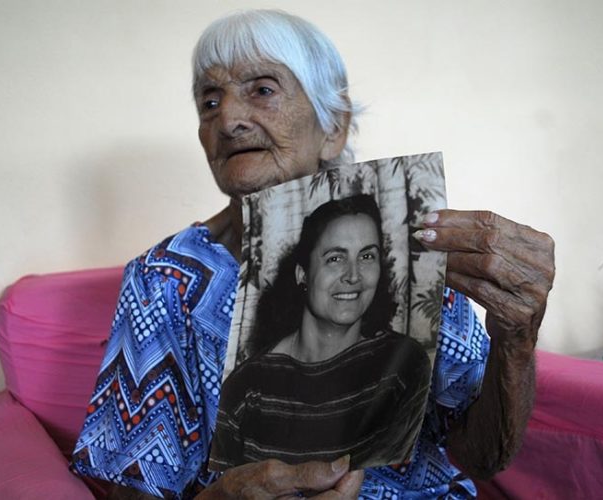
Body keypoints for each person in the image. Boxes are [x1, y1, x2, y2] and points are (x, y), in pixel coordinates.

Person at [71, 9, 555, 499]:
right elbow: (128, 490)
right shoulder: (164, 281)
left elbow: (483, 455)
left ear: (334, 127)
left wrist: (516, 340)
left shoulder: (406, 249)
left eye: (262, 90)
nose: (229, 120)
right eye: (209, 101)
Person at [211, 195, 432, 471]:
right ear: (302, 274)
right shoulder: (245, 386)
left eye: (366, 256)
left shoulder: (405, 365)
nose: (353, 275)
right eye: (335, 258)